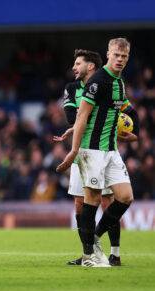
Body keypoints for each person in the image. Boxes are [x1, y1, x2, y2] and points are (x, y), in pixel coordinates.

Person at [57, 38, 139, 267]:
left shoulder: (120, 83)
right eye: (116, 55)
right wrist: (74, 150)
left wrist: (132, 133)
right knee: (90, 200)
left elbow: (122, 115)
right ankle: (88, 256)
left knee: (125, 197)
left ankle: (92, 239)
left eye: (124, 56)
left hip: (111, 150)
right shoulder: (97, 81)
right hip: (91, 149)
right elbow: (81, 116)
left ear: (127, 58)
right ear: (109, 54)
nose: (120, 60)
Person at [54, 49, 118, 266]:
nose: (74, 67)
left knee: (108, 201)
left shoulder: (107, 85)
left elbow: (118, 112)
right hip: (81, 152)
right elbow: (72, 117)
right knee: (80, 204)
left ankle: (115, 253)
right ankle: (87, 254)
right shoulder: (72, 88)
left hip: (102, 149)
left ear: (91, 66)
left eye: (78, 63)